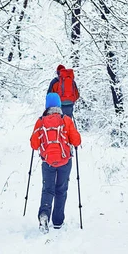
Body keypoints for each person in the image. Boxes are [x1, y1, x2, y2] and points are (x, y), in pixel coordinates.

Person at [30, 92, 81, 232]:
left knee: (48, 189)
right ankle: (58, 221)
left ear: (47, 106)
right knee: (61, 189)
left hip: (47, 163)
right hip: (65, 161)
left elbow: (34, 145)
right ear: (59, 105)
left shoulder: (41, 121)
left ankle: (44, 214)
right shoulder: (66, 120)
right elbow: (77, 141)